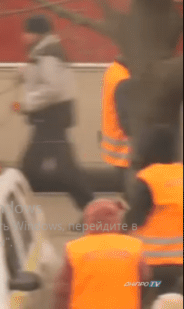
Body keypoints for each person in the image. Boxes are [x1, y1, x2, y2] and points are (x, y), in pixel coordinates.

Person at [15, 15, 94, 223]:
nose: (23, 36)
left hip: (50, 117)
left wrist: (28, 103)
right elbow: (46, 81)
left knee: (31, 168)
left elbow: (52, 88)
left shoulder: (47, 54)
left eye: (27, 32)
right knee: (60, 168)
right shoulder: (45, 50)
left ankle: (14, 215)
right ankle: (92, 212)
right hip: (52, 117)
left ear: (36, 33)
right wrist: (24, 74)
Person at [125, 124, 184, 307]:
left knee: (137, 297)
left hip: (149, 263)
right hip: (179, 263)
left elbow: (135, 218)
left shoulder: (148, 178)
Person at [53, 198, 150, 309]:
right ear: (117, 221)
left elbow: (63, 290)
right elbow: (144, 280)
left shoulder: (75, 249)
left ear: (88, 221)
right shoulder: (133, 246)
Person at [100, 56, 133, 186]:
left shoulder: (113, 70)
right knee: (130, 190)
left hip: (117, 147)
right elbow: (127, 118)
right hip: (126, 149)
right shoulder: (123, 79)